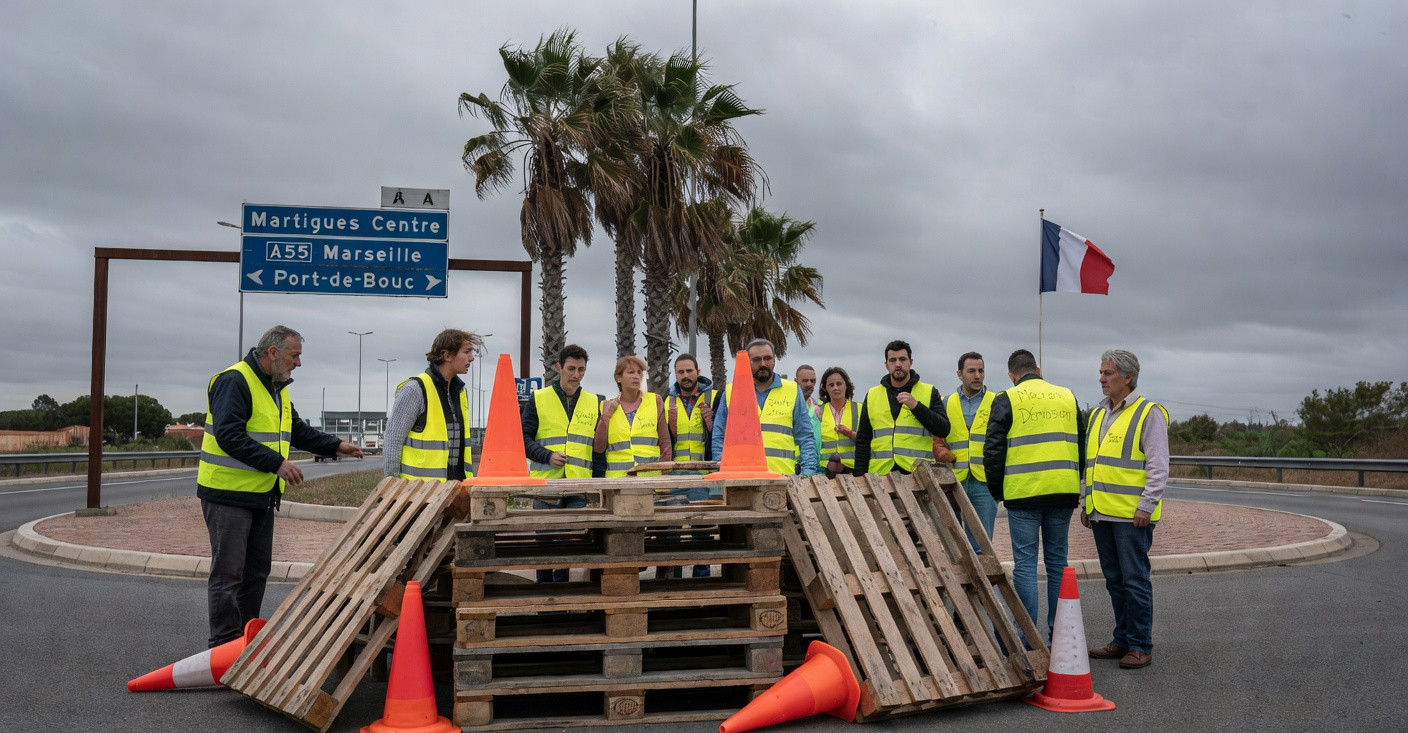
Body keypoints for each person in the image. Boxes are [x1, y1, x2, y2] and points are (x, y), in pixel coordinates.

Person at [198, 325, 362, 648]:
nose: (298, 363)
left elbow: (297, 430)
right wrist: (277, 463)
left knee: (256, 572)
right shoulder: (234, 381)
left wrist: (335, 445)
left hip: (260, 495)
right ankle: (223, 647)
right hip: (228, 495)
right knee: (228, 575)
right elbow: (229, 435)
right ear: (273, 353)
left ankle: (243, 643)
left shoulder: (277, 388)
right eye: (294, 356)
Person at [983, 348, 1083, 642]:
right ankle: (1059, 638)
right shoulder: (1067, 396)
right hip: (1063, 491)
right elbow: (1082, 443)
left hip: (1023, 494)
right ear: (1038, 371)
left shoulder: (1007, 398)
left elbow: (993, 451)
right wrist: (1073, 481)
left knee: (1025, 566)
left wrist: (998, 491)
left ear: (1012, 376)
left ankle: (1027, 640)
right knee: (1057, 563)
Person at [1082, 349, 1168, 670]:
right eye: (1101, 372)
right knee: (1115, 580)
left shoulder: (1148, 413)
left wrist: (1146, 505)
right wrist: (1086, 502)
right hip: (1101, 512)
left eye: (1108, 373)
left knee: (1135, 580)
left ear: (1128, 377)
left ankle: (1140, 645)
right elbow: (1092, 463)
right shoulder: (1098, 414)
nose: (1101, 379)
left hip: (1133, 516)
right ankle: (1122, 639)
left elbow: (1158, 466)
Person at [522, 344, 602, 582]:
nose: (576, 375)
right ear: (559, 367)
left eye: (581, 369)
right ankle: (545, 592)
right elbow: (523, 438)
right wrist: (546, 456)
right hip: (546, 485)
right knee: (545, 544)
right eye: (571, 368)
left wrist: (599, 485)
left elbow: (598, 449)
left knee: (570, 544)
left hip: (579, 486)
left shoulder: (594, 401)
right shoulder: (539, 398)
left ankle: (562, 591)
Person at [382, 328, 483, 481]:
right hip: (418, 491)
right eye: (466, 352)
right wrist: (393, 485)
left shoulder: (460, 392)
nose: (471, 358)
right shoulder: (415, 389)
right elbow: (393, 441)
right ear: (447, 355)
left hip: (456, 486)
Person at [710, 339, 819, 475]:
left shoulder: (792, 390)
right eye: (756, 359)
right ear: (748, 362)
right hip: (741, 478)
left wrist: (807, 473)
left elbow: (805, 437)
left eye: (767, 358)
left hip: (783, 478)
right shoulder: (732, 392)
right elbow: (719, 436)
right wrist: (722, 469)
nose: (763, 364)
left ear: (774, 359)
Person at [854, 340, 950, 475]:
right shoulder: (872, 394)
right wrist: (859, 476)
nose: (898, 364)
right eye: (893, 360)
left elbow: (944, 429)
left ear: (910, 362)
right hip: (880, 475)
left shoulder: (929, 391)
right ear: (886, 364)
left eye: (902, 359)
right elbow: (863, 439)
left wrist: (916, 406)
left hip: (917, 475)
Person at [945, 352, 999, 550]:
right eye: (971, 371)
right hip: (952, 480)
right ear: (959, 374)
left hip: (984, 482)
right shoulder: (946, 402)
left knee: (982, 546)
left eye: (981, 371)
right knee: (953, 544)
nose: (977, 375)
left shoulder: (997, 402)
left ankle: (984, 572)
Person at [595, 355, 672, 477]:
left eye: (639, 372)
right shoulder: (606, 406)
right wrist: (606, 416)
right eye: (631, 372)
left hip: (650, 478)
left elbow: (665, 444)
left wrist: (664, 476)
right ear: (618, 377)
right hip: (618, 480)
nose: (636, 376)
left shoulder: (655, 401)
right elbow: (599, 448)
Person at [665, 353, 719, 469]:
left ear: (698, 372)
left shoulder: (715, 398)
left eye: (689, 371)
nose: (685, 375)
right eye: (681, 372)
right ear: (676, 375)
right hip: (676, 472)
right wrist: (670, 429)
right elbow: (663, 442)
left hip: (706, 471)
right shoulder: (667, 402)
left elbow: (723, 436)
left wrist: (712, 423)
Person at [817, 366, 861, 478]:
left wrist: (851, 434)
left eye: (839, 384)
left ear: (847, 385)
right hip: (822, 472)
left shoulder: (860, 409)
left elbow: (870, 439)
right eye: (831, 385)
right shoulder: (817, 411)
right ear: (825, 388)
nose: (835, 388)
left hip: (853, 472)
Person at [796, 364, 824, 458]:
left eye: (812, 381)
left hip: (813, 462)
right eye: (805, 381)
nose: (809, 384)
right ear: (796, 381)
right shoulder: (788, 405)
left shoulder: (819, 408)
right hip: (792, 462)